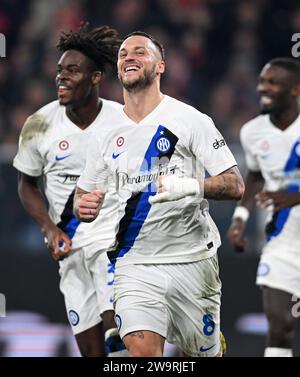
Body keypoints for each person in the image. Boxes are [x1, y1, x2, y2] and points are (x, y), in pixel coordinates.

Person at [74, 31, 244, 357]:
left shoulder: (191, 120)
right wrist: (85, 205)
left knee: (198, 356)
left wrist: (188, 186)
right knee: (144, 357)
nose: (129, 57)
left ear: (161, 66)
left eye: (140, 51)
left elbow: (235, 185)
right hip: (133, 262)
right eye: (123, 54)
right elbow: (84, 193)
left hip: (192, 260)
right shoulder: (103, 131)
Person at [13, 24, 128, 357]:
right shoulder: (40, 124)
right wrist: (49, 229)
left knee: (117, 335)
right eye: (60, 71)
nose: (61, 78)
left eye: (73, 71)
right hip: (69, 246)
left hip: (113, 242)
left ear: (95, 78)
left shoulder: (122, 120)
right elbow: (27, 184)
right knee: (93, 352)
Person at [227, 58, 300, 357]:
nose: (263, 89)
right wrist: (240, 218)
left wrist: (295, 196)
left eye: (273, 83)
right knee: (279, 322)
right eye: (262, 82)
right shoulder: (252, 132)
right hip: (281, 241)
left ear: (295, 89)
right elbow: (255, 174)